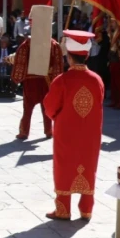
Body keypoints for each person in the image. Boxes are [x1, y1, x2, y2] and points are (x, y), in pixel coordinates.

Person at [43, 31, 104, 220]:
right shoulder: (97, 80)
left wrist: (58, 117)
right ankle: (86, 209)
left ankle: (63, 209)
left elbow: (50, 107)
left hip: (66, 132)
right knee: (88, 164)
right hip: (90, 132)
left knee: (64, 166)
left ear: (69, 57)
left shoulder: (61, 80)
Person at [8, 6, 62, 140]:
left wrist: (16, 73)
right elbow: (58, 64)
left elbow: (20, 60)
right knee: (46, 108)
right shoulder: (54, 45)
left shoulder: (27, 45)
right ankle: (48, 131)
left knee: (27, 108)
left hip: (31, 80)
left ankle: (24, 132)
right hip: (46, 80)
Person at [108, 21, 120, 110]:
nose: (111, 24)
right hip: (113, 59)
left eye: (113, 22)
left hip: (119, 59)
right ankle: (114, 100)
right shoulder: (113, 33)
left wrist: (117, 43)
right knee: (113, 82)